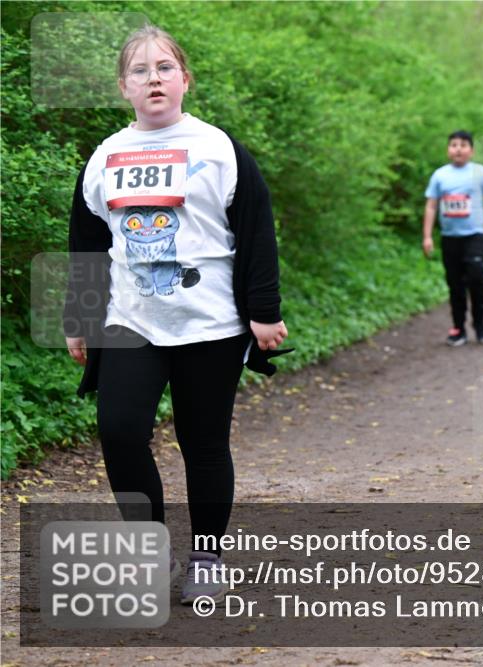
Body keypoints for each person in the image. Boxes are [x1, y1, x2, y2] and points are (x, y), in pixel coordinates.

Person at [63, 25, 289, 605]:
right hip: (130, 320)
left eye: (164, 68)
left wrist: (263, 312)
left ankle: (208, 557)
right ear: (124, 87)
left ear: (184, 79)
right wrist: (81, 315)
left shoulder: (218, 148)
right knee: (118, 431)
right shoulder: (106, 156)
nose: (153, 78)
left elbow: (256, 233)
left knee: (203, 442)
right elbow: (87, 242)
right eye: (140, 71)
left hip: (209, 323)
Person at [422, 130, 483, 346]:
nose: (458, 149)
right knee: (455, 284)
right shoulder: (440, 175)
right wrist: (427, 236)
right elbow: (431, 206)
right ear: (448, 150)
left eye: (463, 145)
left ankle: (480, 323)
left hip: (474, 236)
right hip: (450, 238)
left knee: (477, 278)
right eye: (453, 145)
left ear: (471, 150)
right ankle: (458, 328)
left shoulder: (479, 173)